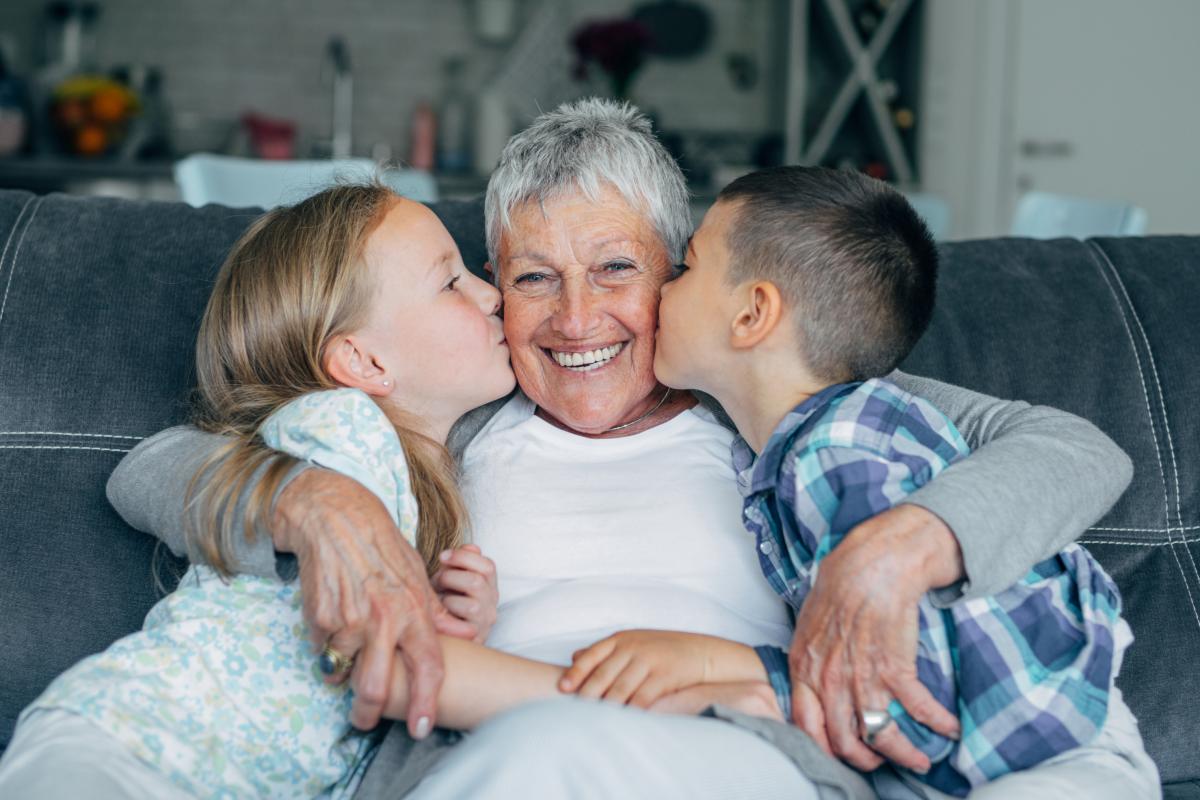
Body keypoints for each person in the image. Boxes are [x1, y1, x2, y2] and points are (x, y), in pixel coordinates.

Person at [105, 99, 1158, 799]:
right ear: (492, 294)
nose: (575, 317)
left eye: (615, 267)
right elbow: (153, 463)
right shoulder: (456, 413)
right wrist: (320, 502)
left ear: (688, 275)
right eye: (531, 278)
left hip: (746, 755)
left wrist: (897, 548)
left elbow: (1071, 447)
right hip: (496, 751)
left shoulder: (775, 402)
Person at [566, 165, 1137, 797]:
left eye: (688, 267)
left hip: (1042, 749)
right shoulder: (819, 436)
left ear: (753, 313)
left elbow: (908, 690)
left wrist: (727, 673)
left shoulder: (835, 450)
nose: (662, 291)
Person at [0, 184, 515, 798]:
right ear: (363, 363)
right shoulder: (339, 428)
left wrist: (449, 618)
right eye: (450, 282)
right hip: (135, 745)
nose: (492, 294)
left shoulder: (418, 487)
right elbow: (152, 473)